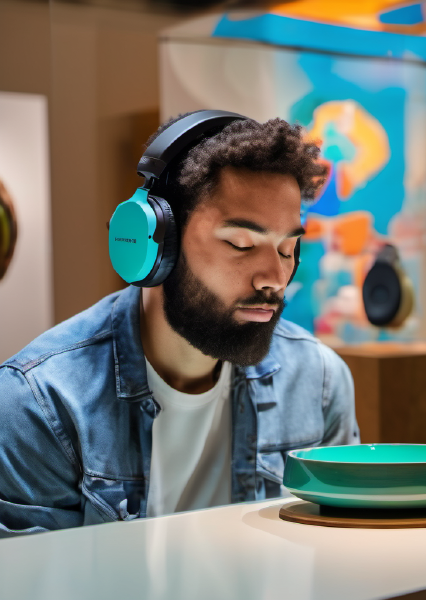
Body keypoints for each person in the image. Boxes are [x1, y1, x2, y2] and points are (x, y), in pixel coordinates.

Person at [0, 112, 359, 536]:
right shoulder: (39, 404)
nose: (275, 279)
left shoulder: (319, 382)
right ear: (156, 245)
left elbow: (335, 556)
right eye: (240, 244)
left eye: (287, 248)